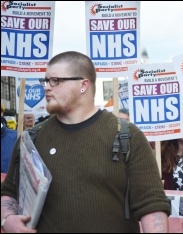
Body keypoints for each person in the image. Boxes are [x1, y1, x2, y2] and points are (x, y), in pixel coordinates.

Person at [1, 51, 170, 233]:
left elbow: (151, 205)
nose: (47, 87)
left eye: (56, 81)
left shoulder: (127, 136)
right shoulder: (31, 139)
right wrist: (7, 219)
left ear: (83, 85)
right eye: (46, 80)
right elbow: (9, 192)